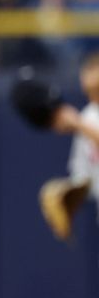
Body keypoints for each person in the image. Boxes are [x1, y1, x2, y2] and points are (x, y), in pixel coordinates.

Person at [43, 53, 99, 240]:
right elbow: (84, 178)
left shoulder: (81, 122)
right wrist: (66, 197)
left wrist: (78, 125)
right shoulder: (87, 117)